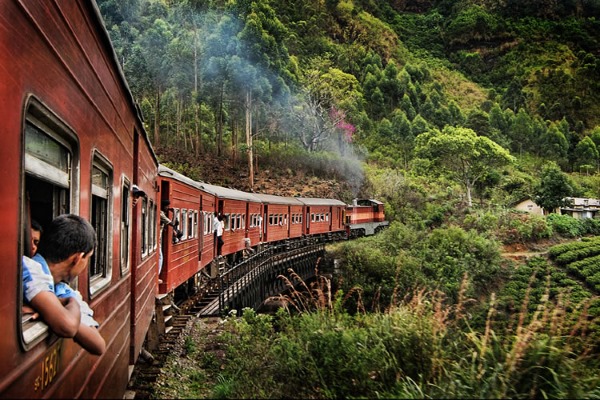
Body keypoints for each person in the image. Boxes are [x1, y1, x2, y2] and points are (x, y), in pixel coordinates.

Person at [22, 214, 106, 355]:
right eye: (88, 259)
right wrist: (67, 306)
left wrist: (55, 308)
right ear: (77, 258)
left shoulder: (62, 289)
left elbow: (98, 345)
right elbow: (67, 326)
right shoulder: (29, 268)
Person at [159, 200, 174, 278]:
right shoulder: (160, 213)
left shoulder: (162, 213)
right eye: (167, 206)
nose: (168, 208)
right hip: (157, 239)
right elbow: (170, 223)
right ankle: (157, 275)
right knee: (160, 257)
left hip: (159, 238)